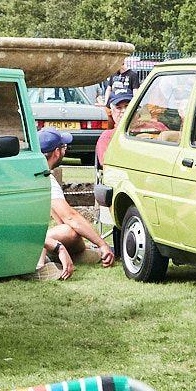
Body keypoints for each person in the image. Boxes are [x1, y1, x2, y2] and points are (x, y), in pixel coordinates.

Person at [36, 127, 114, 279]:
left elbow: (61, 219)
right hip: (31, 238)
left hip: (28, 236)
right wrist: (102, 244)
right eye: (64, 147)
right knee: (69, 231)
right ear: (57, 152)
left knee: (71, 233)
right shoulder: (45, 179)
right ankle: (39, 266)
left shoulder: (35, 173)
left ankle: (83, 253)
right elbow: (70, 217)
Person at [93, 84, 131, 168]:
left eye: (127, 106)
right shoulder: (107, 136)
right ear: (111, 111)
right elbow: (106, 162)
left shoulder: (153, 127)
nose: (124, 111)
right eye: (119, 108)